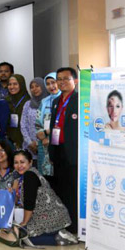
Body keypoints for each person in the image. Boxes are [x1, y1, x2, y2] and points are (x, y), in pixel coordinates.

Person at [0, 150, 76, 247]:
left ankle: (58, 237)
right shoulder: (20, 176)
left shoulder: (30, 175)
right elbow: (15, 200)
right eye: (16, 162)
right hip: (41, 217)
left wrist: (24, 223)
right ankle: (58, 234)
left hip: (51, 217)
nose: (19, 165)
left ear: (30, 162)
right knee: (16, 234)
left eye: (22, 162)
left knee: (22, 238)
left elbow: (29, 203)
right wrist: (13, 190)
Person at [48, 67, 79, 234]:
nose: (61, 82)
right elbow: (54, 125)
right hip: (58, 150)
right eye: (59, 79)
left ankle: (74, 226)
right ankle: (64, 223)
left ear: (75, 80)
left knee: (73, 190)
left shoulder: (80, 100)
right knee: (61, 189)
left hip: (73, 153)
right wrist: (51, 151)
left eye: (66, 79)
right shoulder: (56, 101)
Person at [35, 72, 59, 178]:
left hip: (57, 144)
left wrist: (49, 136)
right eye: (48, 84)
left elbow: (62, 124)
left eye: (53, 82)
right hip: (43, 143)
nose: (51, 86)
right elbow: (37, 122)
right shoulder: (44, 102)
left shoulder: (64, 101)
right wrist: (43, 135)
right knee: (44, 177)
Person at [21, 78, 49, 161]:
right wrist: (30, 143)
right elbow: (23, 124)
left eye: (37, 86)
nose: (34, 89)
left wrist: (40, 143)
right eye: (32, 87)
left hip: (45, 144)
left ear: (43, 86)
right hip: (29, 146)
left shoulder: (49, 103)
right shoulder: (28, 104)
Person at [6, 74, 29, 150]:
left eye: (15, 84)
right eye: (9, 84)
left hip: (24, 141)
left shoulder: (28, 102)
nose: (12, 87)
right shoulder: (6, 100)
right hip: (8, 141)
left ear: (21, 85)